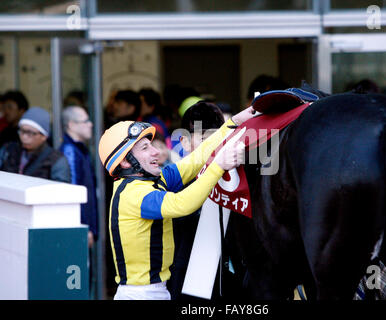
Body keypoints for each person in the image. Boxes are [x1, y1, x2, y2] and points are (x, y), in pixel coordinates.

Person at [98, 105, 255, 300]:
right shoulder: (135, 194)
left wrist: (234, 123)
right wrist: (219, 165)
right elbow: (183, 203)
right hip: (141, 294)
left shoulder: (150, 181)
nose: (156, 152)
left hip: (153, 291)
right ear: (125, 162)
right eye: (145, 148)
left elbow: (195, 160)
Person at [168, 101, 225, 300]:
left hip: (223, 279)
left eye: (217, 138)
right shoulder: (170, 180)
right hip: (182, 278)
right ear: (183, 141)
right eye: (204, 139)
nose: (212, 145)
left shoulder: (231, 181)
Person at [60, 105, 98, 248]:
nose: (91, 124)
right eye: (85, 121)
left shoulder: (78, 149)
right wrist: (84, 226)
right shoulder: (70, 151)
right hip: (79, 227)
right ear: (71, 125)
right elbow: (74, 192)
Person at [0, 106, 71, 183]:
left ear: (44, 136)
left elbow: (62, 190)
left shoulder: (56, 160)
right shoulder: (8, 150)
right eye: (22, 131)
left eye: (30, 133)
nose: (24, 137)